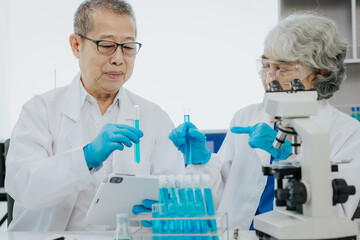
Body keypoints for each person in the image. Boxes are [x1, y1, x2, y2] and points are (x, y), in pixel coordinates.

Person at [170, 13, 360, 233]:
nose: (270, 78)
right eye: (265, 65)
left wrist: (291, 160)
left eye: (283, 68)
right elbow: (219, 202)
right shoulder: (245, 117)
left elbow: (335, 216)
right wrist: (202, 163)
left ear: (319, 72)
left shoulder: (349, 133)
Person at [5, 0, 184, 231]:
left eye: (128, 47)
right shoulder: (40, 110)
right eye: (107, 45)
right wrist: (85, 158)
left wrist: (167, 214)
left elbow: (175, 193)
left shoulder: (155, 119)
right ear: (76, 45)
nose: (119, 58)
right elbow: (24, 187)